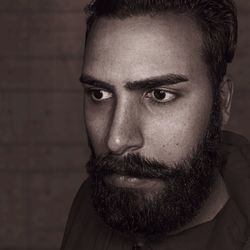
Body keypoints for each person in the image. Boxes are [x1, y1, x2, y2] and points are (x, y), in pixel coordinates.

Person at [61, 0, 250, 249]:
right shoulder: (100, 199)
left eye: (160, 95)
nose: (115, 141)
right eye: (99, 94)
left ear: (222, 101)